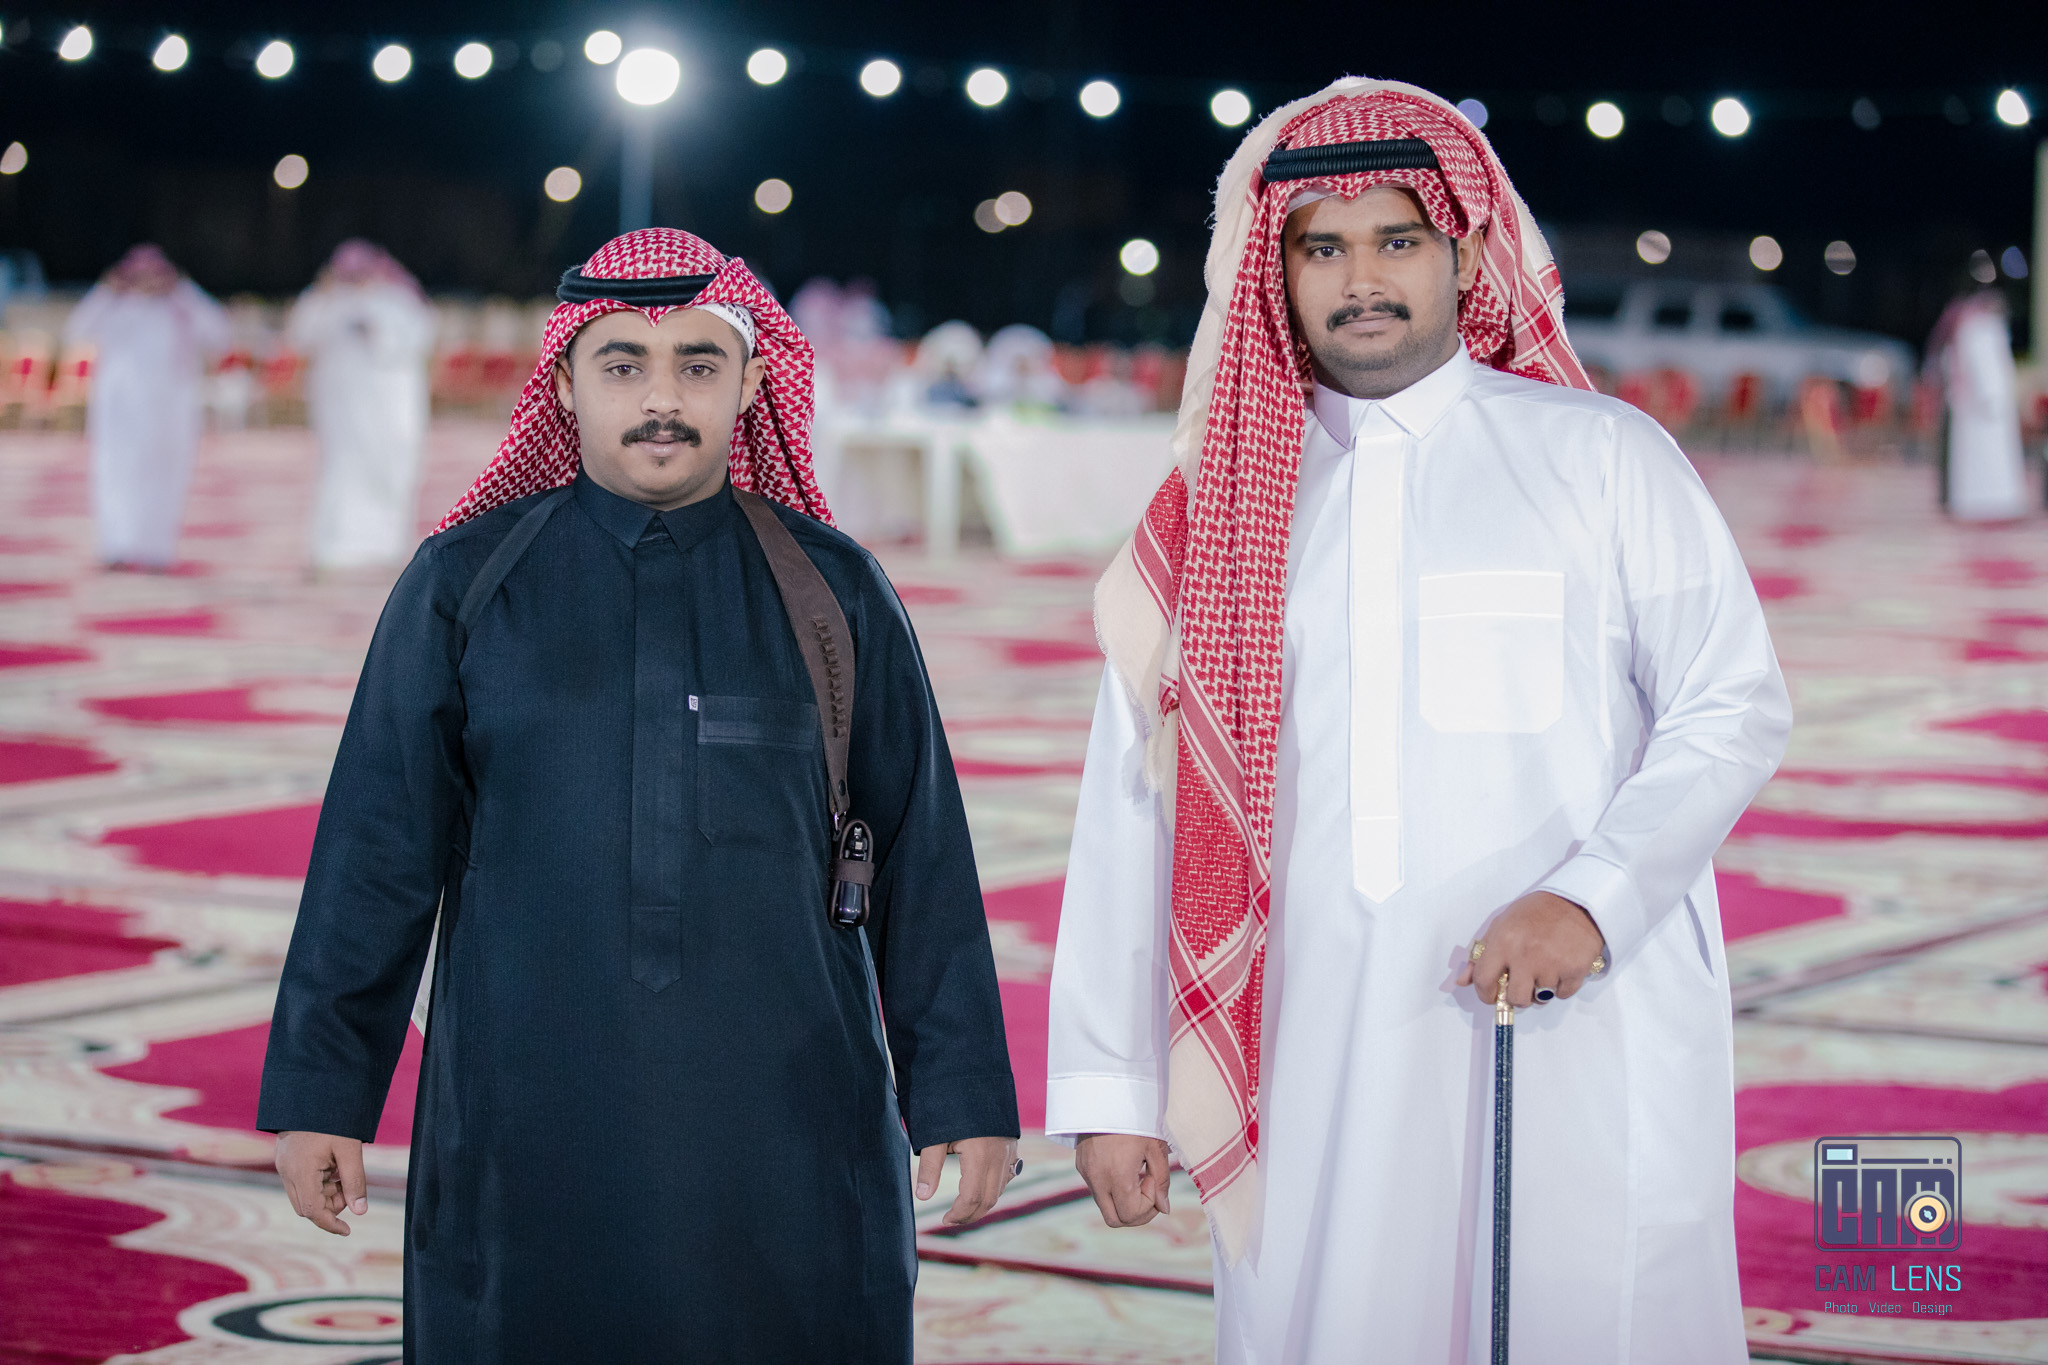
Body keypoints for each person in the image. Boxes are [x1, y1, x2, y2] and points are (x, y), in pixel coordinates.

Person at [1046, 79, 1791, 1362]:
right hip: (1308, 1043)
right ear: (1273, 271)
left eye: (1395, 240)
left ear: (1462, 251)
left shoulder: (1601, 456)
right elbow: (1134, 798)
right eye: (1320, 249)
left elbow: (1728, 703)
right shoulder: (1220, 516)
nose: (1360, 281)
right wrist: (1113, 1084)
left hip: (1575, 1018)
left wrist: (1593, 899)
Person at [258, 228, 1020, 1362]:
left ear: (751, 383)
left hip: (790, 1127)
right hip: (525, 1116)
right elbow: (376, 851)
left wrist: (961, 1091)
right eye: (623, 365)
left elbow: (921, 855)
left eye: (698, 365)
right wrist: (322, 1088)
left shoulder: (832, 591)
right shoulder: (464, 585)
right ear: (566, 383)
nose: (661, 399)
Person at [63, 244, 230, 570]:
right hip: (120, 412)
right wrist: (107, 291)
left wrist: (182, 290)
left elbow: (219, 335)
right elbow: (75, 333)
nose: (147, 280)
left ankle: (156, 549)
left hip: (170, 412)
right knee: (114, 473)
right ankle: (116, 546)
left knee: (166, 476)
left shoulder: (180, 306)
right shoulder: (115, 305)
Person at [288, 240, 439, 570]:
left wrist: (376, 331)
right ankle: (336, 549)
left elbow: (419, 338)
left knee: (390, 472)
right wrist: (325, 297)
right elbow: (300, 335)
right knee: (342, 476)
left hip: (390, 409)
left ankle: (384, 546)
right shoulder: (326, 301)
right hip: (341, 412)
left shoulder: (397, 299)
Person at [1927, 289, 2029, 520]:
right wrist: (1991, 396)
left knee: (1987, 458)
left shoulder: (1972, 330)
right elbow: (1985, 370)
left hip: (1976, 406)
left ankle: (1990, 500)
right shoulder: (1981, 330)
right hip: (1980, 406)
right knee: (1978, 458)